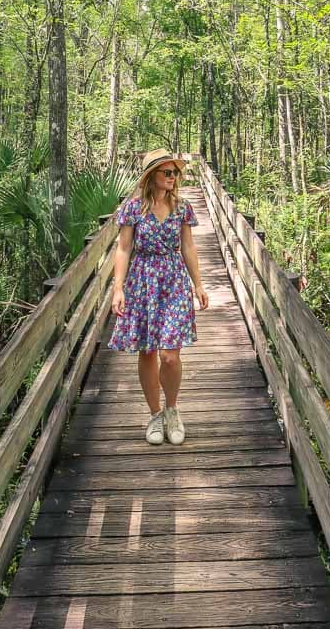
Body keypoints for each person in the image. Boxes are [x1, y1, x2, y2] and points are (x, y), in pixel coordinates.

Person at [108, 148, 209, 446]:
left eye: (175, 172)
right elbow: (124, 249)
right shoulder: (133, 209)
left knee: (170, 354)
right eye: (167, 172)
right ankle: (155, 414)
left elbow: (188, 248)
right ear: (151, 177)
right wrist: (118, 287)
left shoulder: (182, 207)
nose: (173, 177)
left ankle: (172, 409)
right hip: (142, 280)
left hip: (174, 279)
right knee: (148, 350)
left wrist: (199, 285)